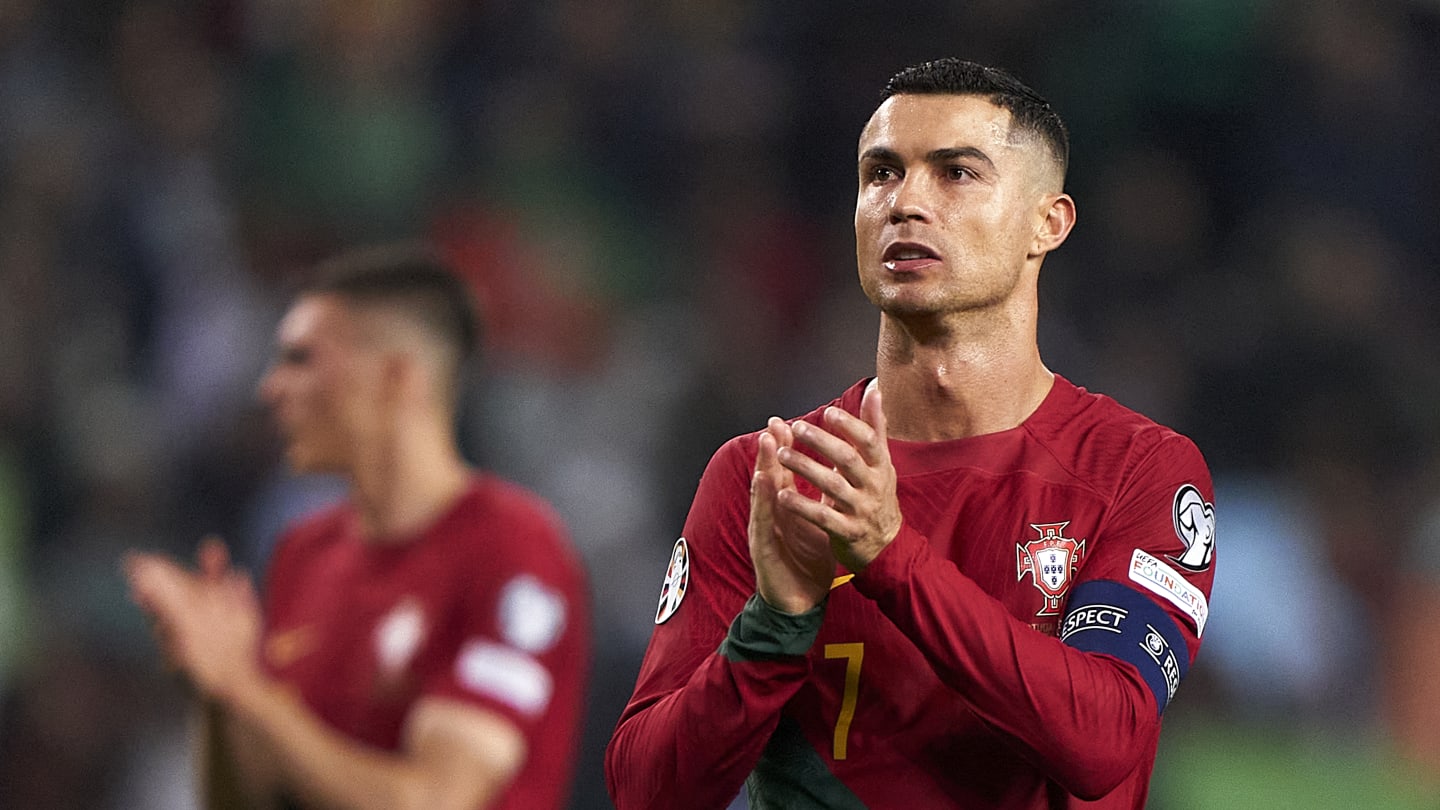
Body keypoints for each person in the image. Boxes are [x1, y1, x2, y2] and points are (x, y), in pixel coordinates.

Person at [605, 58, 1216, 809]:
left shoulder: (1137, 469)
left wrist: (890, 557)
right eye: (882, 174)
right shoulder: (771, 474)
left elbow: (1103, 743)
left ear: (1047, 223)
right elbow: (645, 792)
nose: (905, 203)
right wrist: (775, 625)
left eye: (956, 173)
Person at [125, 245, 591, 810]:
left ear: (395, 377)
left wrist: (245, 687)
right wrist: (217, 692)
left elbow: (439, 801)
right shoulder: (305, 551)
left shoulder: (513, 549)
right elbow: (252, 799)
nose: (271, 388)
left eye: (301, 359)